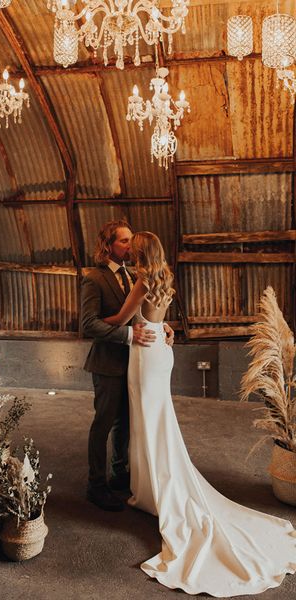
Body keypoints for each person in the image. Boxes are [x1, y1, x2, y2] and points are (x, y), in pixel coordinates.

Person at [103, 230, 296, 596]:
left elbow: (121, 319)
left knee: (149, 422)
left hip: (145, 356)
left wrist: (98, 319)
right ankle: (149, 489)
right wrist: (160, 328)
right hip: (160, 348)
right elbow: (156, 319)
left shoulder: (142, 280)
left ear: (140, 252)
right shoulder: (163, 278)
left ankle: (153, 490)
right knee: (157, 421)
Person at [81, 220, 174, 512]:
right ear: (108, 245)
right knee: (104, 424)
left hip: (136, 362)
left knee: (125, 424)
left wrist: (162, 326)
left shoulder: (135, 274)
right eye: (123, 241)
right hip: (108, 362)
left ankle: (120, 473)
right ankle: (96, 486)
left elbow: (139, 311)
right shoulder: (94, 278)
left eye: (131, 240)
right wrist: (130, 334)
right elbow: (88, 325)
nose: (130, 245)